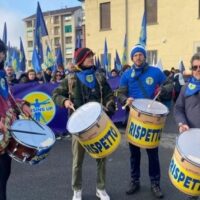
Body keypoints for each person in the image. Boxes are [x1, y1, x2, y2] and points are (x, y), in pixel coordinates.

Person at [52, 47, 115, 200]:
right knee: (77, 161)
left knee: (101, 158)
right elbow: (56, 94)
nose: (91, 59)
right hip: (78, 127)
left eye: (92, 56)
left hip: (98, 124)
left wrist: (110, 104)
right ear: (81, 60)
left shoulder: (99, 77)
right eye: (88, 57)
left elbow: (108, 94)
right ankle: (77, 189)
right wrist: (65, 101)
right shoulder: (71, 78)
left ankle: (100, 188)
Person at [117, 44, 166, 199]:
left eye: (141, 54)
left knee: (153, 153)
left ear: (145, 56)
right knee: (134, 154)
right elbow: (120, 94)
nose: (138, 57)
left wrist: (163, 90)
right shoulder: (126, 74)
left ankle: (155, 183)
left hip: (152, 118)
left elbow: (169, 84)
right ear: (132, 58)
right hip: (134, 117)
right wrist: (126, 99)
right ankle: (134, 181)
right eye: (135, 55)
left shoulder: (156, 72)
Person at [0, 39, 32, 200]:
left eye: (2, 52)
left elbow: (8, 98)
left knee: (4, 176)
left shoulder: (2, 76)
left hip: (5, 135)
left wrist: (22, 105)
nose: (1, 55)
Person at [174, 53, 200, 200]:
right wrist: (181, 123)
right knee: (193, 183)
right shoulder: (186, 89)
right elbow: (178, 109)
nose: (198, 70)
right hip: (192, 140)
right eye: (195, 67)